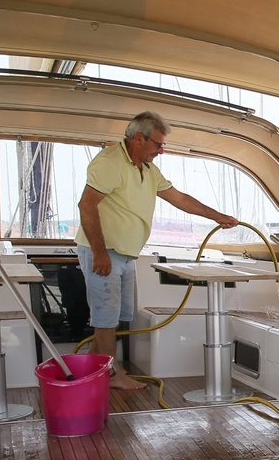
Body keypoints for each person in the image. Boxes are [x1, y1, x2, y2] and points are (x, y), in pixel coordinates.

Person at [76, 111, 238, 390]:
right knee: (106, 317)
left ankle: (95, 372)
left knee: (117, 316)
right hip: (104, 251)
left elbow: (180, 199)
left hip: (126, 253)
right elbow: (86, 206)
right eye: (158, 145)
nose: (161, 151)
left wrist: (217, 216)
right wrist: (100, 252)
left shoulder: (148, 170)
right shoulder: (110, 162)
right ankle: (112, 374)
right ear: (139, 138)